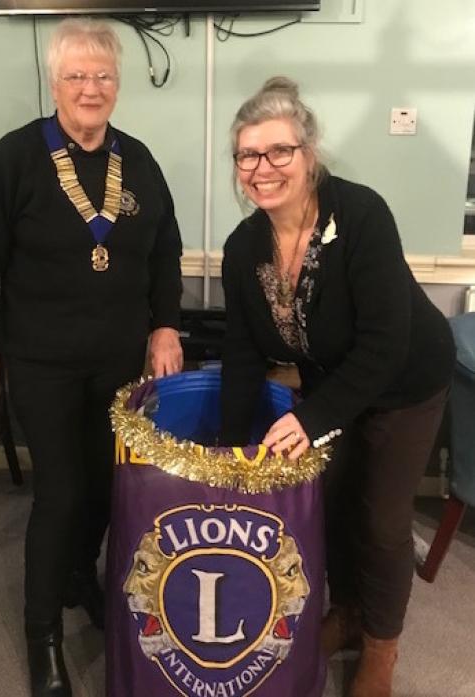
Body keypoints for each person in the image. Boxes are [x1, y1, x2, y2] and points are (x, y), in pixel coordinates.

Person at [0, 19, 183, 697]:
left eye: (103, 75)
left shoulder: (136, 159)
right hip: (42, 363)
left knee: (111, 488)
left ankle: (83, 573)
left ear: (118, 85)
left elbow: (164, 248)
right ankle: (42, 635)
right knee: (62, 492)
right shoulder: (16, 157)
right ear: (55, 83)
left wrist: (165, 326)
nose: (91, 87)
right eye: (77, 75)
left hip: (118, 368)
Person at [219, 76, 454, 697]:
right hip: (336, 384)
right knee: (332, 502)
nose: (262, 168)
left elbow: (385, 344)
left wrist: (311, 416)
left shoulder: (362, 214)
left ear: (309, 153)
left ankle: (381, 649)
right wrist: (226, 445)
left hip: (406, 380)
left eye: (278, 152)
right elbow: (242, 353)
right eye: (248, 155)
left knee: (380, 519)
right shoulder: (243, 248)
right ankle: (347, 613)